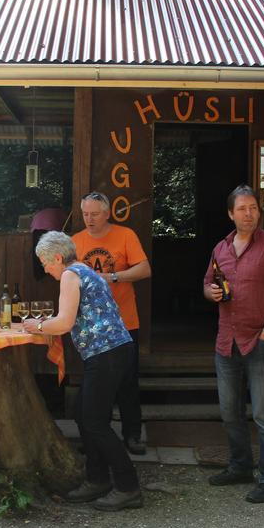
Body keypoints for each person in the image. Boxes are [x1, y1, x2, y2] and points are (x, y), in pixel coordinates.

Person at [23, 231, 143, 511]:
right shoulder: (86, 271)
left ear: (57, 257)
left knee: (95, 422)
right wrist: (45, 324)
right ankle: (97, 479)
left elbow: (64, 323)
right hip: (113, 351)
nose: (45, 269)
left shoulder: (70, 275)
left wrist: (35, 326)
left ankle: (128, 487)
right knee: (83, 416)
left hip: (106, 353)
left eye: (45, 263)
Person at [202, 185, 264, 504]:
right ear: (231, 214)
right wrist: (210, 293)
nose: (249, 214)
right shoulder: (221, 248)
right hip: (226, 341)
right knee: (230, 412)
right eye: (242, 209)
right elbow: (208, 283)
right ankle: (240, 467)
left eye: (253, 208)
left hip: (259, 341)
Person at [72, 191, 152, 455]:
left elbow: (144, 269)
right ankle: (97, 436)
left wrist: (113, 277)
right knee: (96, 383)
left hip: (123, 322)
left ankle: (132, 435)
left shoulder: (125, 235)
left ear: (107, 213)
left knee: (127, 381)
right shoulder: (76, 241)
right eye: (85, 214)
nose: (89, 219)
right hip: (90, 325)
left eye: (95, 214)